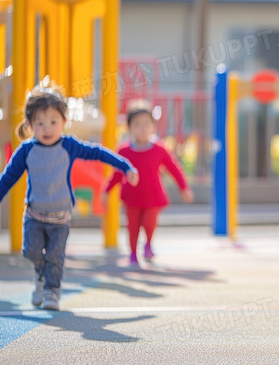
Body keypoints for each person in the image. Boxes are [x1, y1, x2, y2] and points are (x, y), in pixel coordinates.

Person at [0, 84, 139, 311]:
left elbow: (98, 152)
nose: (47, 128)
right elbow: (7, 178)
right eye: (40, 122)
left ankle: (52, 291)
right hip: (34, 215)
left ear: (64, 122)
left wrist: (125, 167)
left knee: (56, 257)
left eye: (53, 121)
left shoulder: (69, 146)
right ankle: (40, 275)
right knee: (31, 251)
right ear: (30, 123)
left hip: (60, 217)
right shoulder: (26, 150)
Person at [102, 100, 193, 266]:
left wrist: (184, 187)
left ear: (153, 126)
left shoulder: (159, 149)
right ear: (129, 128)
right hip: (132, 197)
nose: (142, 128)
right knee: (133, 226)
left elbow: (174, 168)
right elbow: (116, 174)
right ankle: (132, 253)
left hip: (153, 197)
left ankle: (148, 243)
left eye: (146, 124)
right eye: (137, 124)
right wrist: (106, 190)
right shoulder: (124, 150)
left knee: (149, 223)